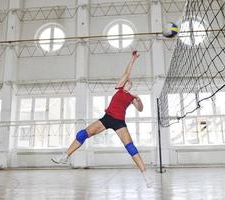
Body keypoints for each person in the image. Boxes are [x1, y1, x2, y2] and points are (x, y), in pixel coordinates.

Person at [51, 50, 153, 188]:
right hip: (107, 118)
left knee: (131, 148)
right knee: (82, 134)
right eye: (126, 80)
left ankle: (145, 175)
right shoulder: (119, 89)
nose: (128, 81)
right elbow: (127, 73)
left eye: (129, 82)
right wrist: (132, 59)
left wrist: (139, 100)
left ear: (131, 85)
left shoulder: (131, 97)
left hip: (119, 122)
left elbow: (140, 109)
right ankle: (65, 156)